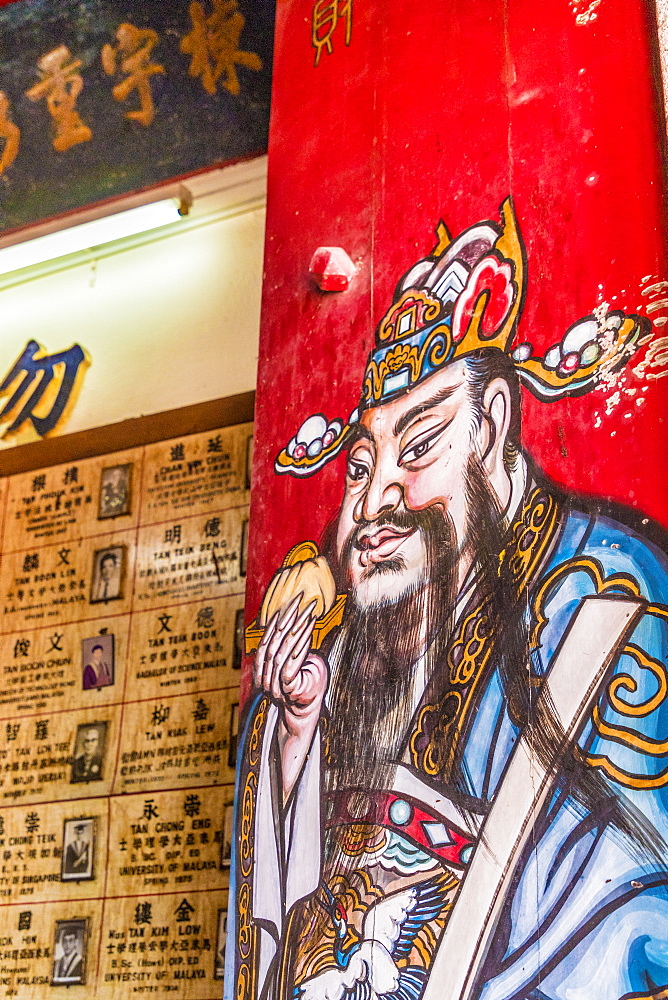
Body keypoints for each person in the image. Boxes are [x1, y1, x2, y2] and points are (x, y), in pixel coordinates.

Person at [231, 202, 668, 1000]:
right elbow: (294, 907)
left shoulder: (603, 595)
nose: (373, 502)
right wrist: (296, 737)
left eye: (419, 445)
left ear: (493, 427)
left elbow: (624, 904)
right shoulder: (360, 638)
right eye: (362, 465)